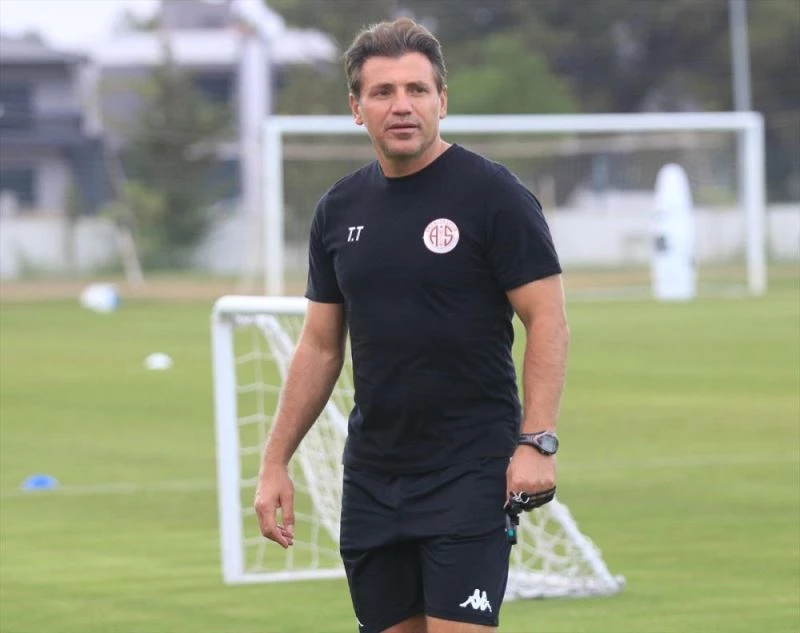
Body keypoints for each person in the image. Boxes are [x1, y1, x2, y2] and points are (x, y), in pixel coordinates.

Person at [254, 17, 569, 633]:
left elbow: (548, 321)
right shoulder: (338, 210)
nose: (402, 106)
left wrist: (537, 442)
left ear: (441, 101)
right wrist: (274, 462)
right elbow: (319, 347)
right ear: (356, 108)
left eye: (417, 90)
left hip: (471, 469)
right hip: (372, 477)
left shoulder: (494, 195)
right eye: (383, 92)